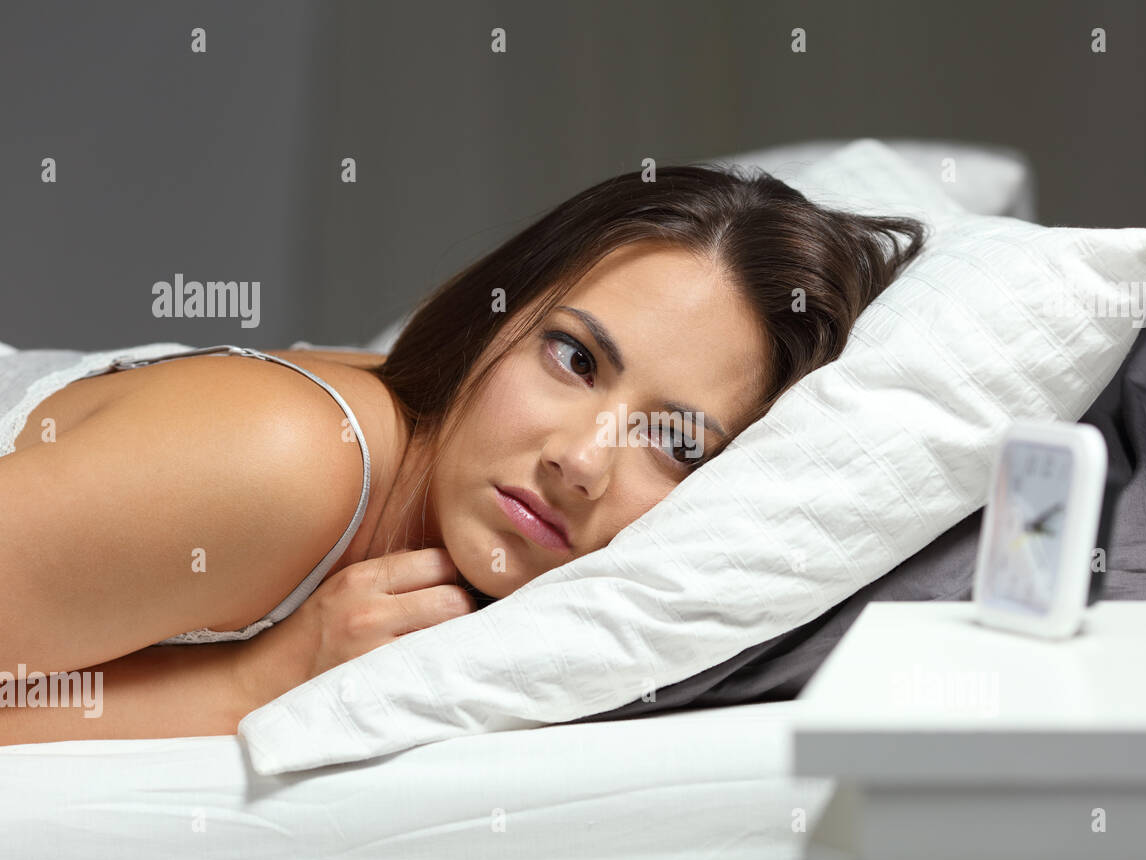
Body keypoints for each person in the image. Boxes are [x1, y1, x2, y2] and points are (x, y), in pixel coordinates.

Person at [0, 163, 926, 744]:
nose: (581, 462)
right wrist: (259, 681)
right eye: (573, 358)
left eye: (675, 441)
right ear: (495, 315)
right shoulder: (283, 459)